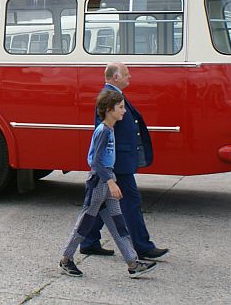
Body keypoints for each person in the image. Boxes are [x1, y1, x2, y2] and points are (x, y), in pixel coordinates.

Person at [59, 90, 157, 278]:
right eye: (120, 108)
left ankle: (132, 262)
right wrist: (111, 182)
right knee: (85, 223)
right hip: (99, 182)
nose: (124, 111)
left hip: (106, 179)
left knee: (118, 223)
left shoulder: (110, 129)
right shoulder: (103, 131)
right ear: (110, 110)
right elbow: (95, 161)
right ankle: (66, 259)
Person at [80, 62, 169, 260]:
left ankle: (88, 241)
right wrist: (107, 170)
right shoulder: (109, 97)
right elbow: (103, 130)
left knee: (101, 203)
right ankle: (142, 246)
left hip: (119, 160)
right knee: (131, 202)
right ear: (115, 77)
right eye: (127, 74)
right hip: (117, 162)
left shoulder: (114, 94)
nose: (130, 77)